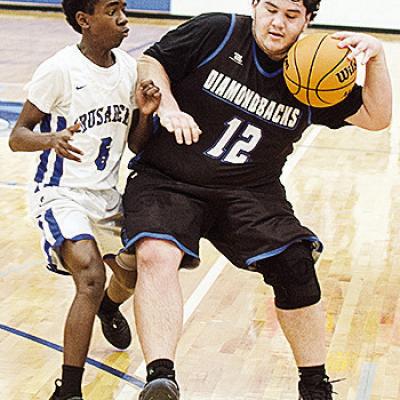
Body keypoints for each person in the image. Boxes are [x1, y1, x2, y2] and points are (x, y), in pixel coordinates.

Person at [108, 0, 392, 399]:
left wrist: (376, 57)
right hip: (169, 177)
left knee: (295, 265)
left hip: (250, 191)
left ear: (308, 19)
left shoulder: (314, 64)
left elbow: (377, 117)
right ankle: (161, 378)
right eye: (270, 9)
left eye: (291, 16)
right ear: (255, 5)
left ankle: (314, 386)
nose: (277, 23)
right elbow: (151, 63)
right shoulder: (217, 31)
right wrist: (168, 107)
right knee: (155, 252)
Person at [8, 1, 161, 399]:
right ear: (84, 20)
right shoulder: (59, 70)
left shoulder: (128, 70)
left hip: (106, 196)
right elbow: (17, 135)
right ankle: (69, 390)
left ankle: (109, 308)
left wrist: (144, 115)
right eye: (113, 11)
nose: (124, 18)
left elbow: (137, 146)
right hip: (61, 194)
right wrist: (49, 139)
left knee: (130, 275)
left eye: (124, 8)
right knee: (91, 278)